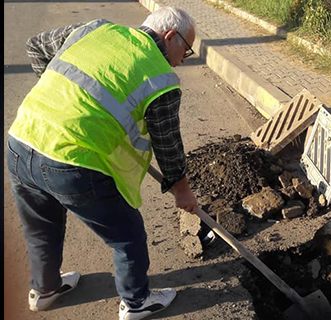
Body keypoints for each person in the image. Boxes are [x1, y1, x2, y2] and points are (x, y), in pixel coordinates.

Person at [7, 7, 200, 320]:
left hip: (21, 140)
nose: (182, 60)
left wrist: (61, 102)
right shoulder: (161, 77)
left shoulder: (95, 29)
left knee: (41, 228)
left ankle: (44, 291)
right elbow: (168, 145)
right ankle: (137, 302)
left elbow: (36, 44)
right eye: (186, 50)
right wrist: (182, 191)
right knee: (127, 234)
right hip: (70, 162)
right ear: (170, 37)